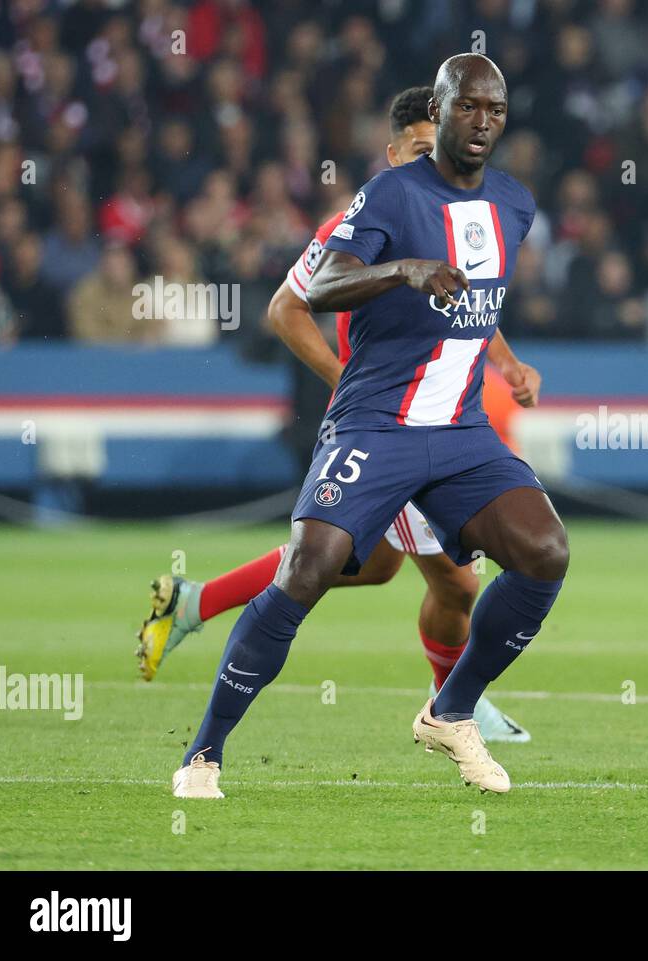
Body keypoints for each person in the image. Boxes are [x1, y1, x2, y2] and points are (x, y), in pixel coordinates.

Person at [170, 56, 568, 799]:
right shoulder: (390, 194)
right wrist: (403, 270)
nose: (482, 122)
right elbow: (321, 285)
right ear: (443, 109)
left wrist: (508, 363)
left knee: (544, 551)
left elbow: (479, 306)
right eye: (469, 107)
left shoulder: (514, 205)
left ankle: (450, 709)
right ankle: (203, 753)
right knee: (307, 570)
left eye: (496, 111)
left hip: (459, 431)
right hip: (376, 424)